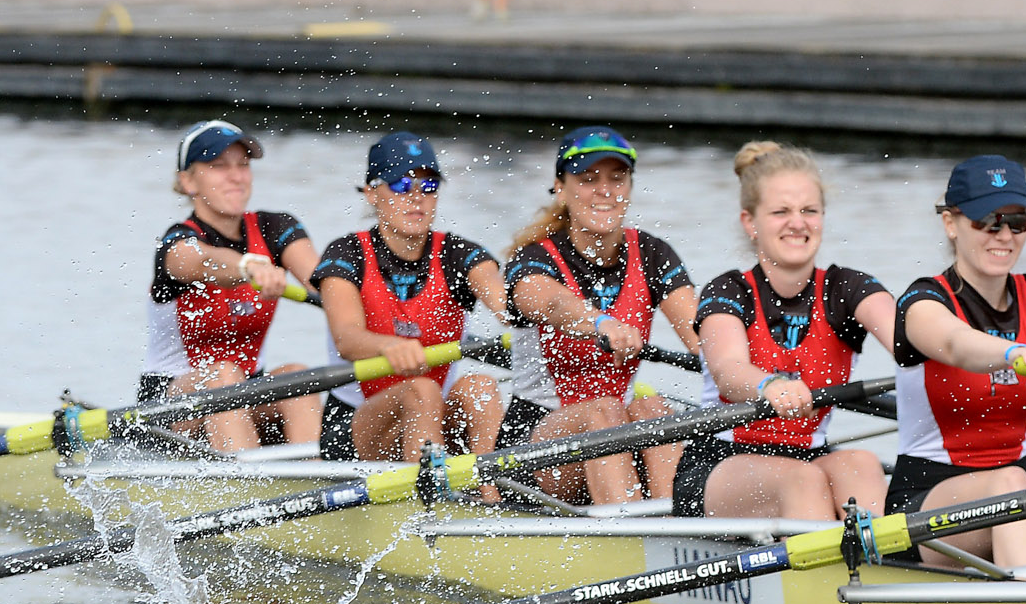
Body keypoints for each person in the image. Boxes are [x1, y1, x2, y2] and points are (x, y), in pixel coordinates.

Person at [887, 155, 1026, 567]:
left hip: (1017, 484)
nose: (1005, 235)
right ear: (950, 224)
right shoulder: (923, 301)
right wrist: (1014, 354)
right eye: (988, 221)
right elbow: (956, 344)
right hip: (926, 501)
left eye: (1019, 222)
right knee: (1015, 485)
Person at [683, 141, 895, 521]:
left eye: (809, 211)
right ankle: (826, 577)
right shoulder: (728, 290)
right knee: (803, 480)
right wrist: (769, 386)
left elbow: (909, 340)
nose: (798, 223)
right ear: (751, 222)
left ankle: (882, 572)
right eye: (781, 212)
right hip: (722, 460)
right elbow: (729, 372)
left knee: (861, 464)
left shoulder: (847, 288)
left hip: (808, 455)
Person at [502, 126, 700, 506]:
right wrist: (599, 323)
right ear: (560, 188)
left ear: (628, 188)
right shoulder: (534, 258)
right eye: (588, 179)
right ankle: (632, 535)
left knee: (653, 408)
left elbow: (701, 335)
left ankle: (677, 533)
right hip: (532, 449)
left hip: (613, 433)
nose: (605, 190)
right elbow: (545, 301)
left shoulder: (653, 254)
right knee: (606, 410)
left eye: (617, 179)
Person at [314, 132, 510, 464]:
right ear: (372, 193)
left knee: (481, 386)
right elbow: (347, 338)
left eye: (428, 186)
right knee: (421, 389)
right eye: (402, 185)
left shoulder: (460, 254)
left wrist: (525, 315)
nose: (416, 197)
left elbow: (505, 301)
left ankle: (493, 498)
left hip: (431, 417)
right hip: (356, 425)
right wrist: (387, 346)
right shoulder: (346, 253)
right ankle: (422, 507)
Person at [141, 119, 321, 451]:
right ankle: (248, 492)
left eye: (243, 165)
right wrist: (246, 265)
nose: (236, 176)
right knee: (224, 375)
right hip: (168, 410)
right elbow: (199, 261)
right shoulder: (177, 242)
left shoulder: (275, 228)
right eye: (218, 166)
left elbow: (326, 283)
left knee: (299, 377)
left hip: (244, 397)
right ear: (188, 181)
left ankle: (321, 487)